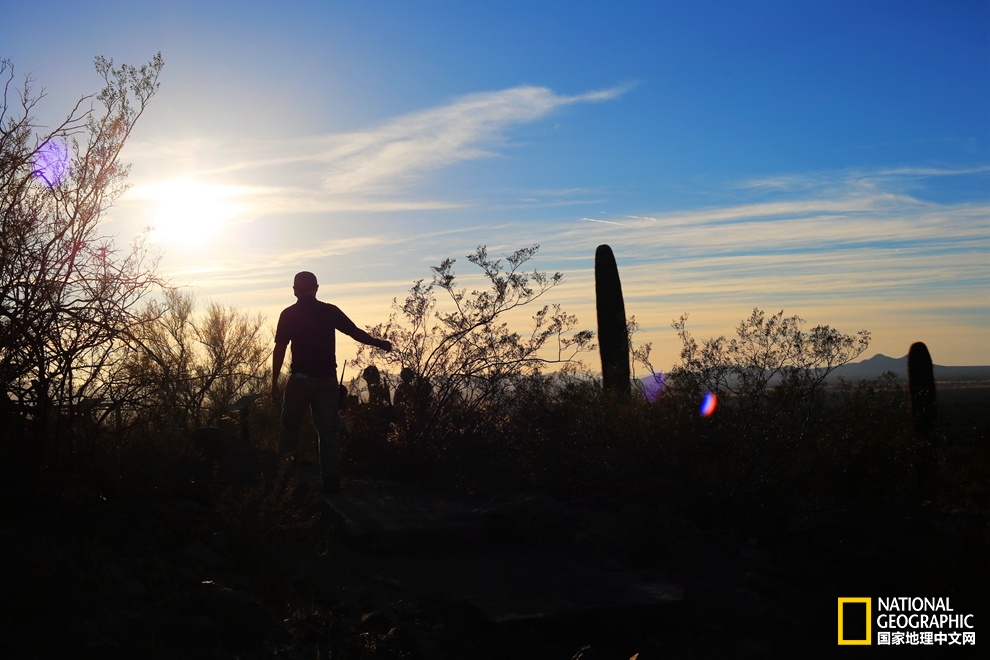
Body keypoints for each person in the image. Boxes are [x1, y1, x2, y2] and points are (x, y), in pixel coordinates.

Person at [271, 271, 392, 494]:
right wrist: (378, 343)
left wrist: (274, 381)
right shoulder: (329, 311)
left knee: (290, 427)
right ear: (316, 288)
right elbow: (354, 332)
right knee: (327, 430)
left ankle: (286, 477)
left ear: (295, 290)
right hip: (327, 379)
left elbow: (280, 348)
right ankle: (331, 478)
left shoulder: (288, 314)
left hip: (300, 380)